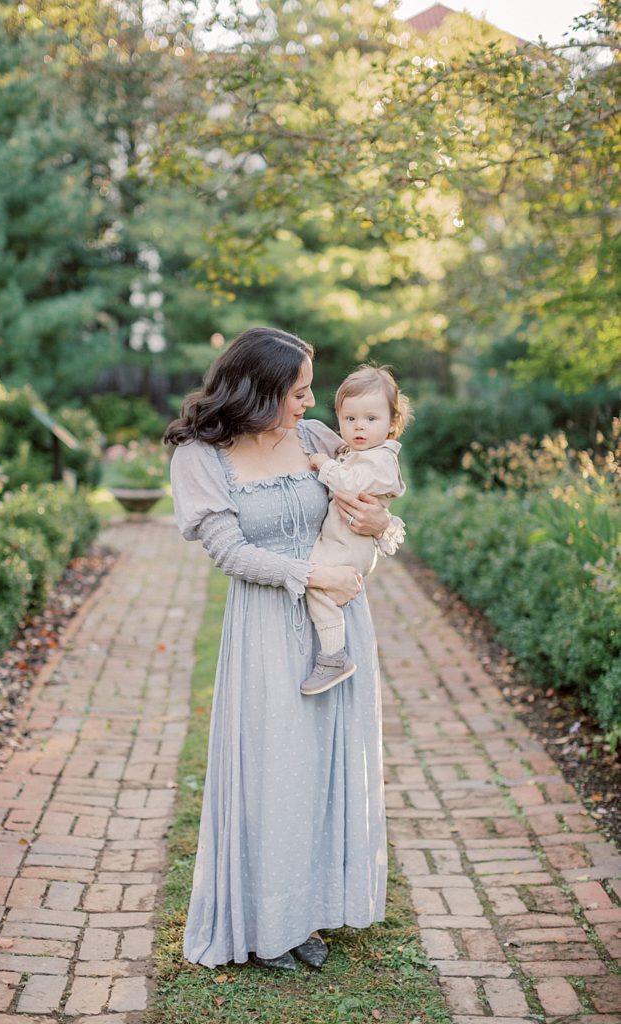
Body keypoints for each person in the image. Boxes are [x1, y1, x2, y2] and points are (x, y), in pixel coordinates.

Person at [165, 326, 402, 972]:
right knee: (273, 772)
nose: (309, 403)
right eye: (297, 392)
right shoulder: (200, 456)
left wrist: (383, 525)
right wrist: (308, 576)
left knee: (326, 767)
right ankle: (266, 920)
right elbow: (229, 552)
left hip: (341, 624)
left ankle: (309, 908)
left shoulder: (315, 440)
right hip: (267, 629)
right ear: (258, 388)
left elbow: (378, 515)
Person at [301, 365, 410, 696]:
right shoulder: (358, 453)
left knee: (317, 585)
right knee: (315, 581)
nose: (359, 426)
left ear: (393, 423)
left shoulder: (380, 460)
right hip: (344, 539)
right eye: (350, 419)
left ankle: (333, 656)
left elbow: (348, 484)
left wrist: (323, 463)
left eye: (370, 419)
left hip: (352, 545)